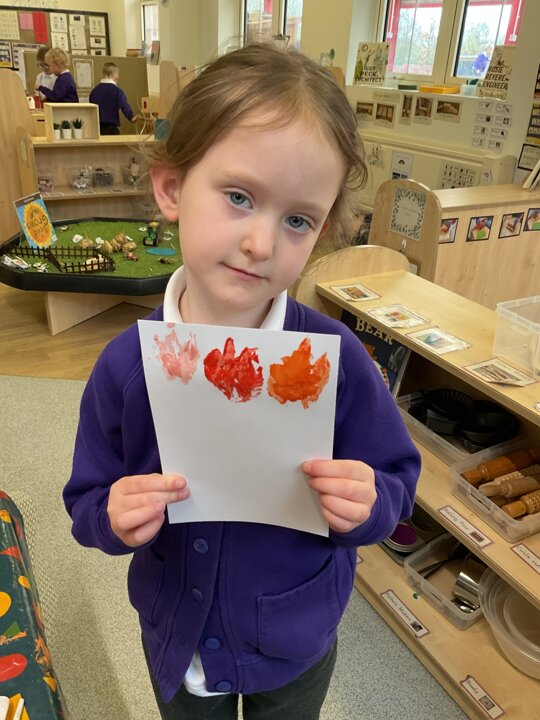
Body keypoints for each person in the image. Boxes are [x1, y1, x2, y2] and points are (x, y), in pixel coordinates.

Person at [63, 43, 420, 720]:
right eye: (238, 197)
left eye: (297, 220)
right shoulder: (126, 366)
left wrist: (371, 501)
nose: (262, 243)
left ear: (321, 230)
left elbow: (397, 478)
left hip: (295, 639)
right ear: (171, 188)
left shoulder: (337, 360)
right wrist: (110, 516)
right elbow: (86, 498)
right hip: (177, 637)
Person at [89, 62, 140, 135]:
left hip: (96, 129)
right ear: (115, 75)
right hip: (111, 129)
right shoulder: (117, 91)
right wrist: (131, 117)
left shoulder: (94, 91)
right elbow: (124, 106)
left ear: (102, 74)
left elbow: (91, 109)